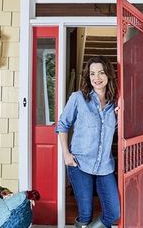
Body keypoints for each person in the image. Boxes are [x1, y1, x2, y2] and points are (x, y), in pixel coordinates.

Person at [56, 56, 120, 228]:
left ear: (108, 74)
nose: (96, 77)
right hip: (79, 163)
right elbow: (62, 125)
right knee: (85, 214)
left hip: (105, 165)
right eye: (92, 73)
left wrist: (119, 116)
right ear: (88, 76)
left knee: (114, 212)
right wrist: (66, 155)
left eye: (100, 72)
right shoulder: (78, 98)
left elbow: (114, 131)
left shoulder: (115, 103)